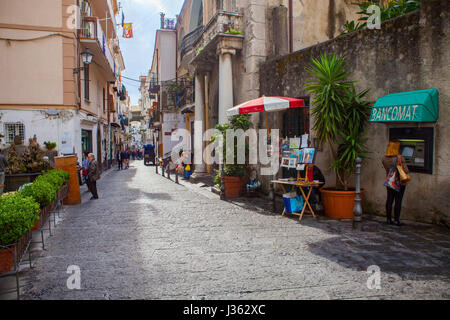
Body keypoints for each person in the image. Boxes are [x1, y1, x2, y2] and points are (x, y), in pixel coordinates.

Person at [382, 140, 409, 226]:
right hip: (399, 183)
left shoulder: (384, 158)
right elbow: (406, 170)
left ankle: (388, 219)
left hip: (390, 182)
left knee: (389, 200)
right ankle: (396, 220)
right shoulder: (399, 158)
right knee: (398, 200)